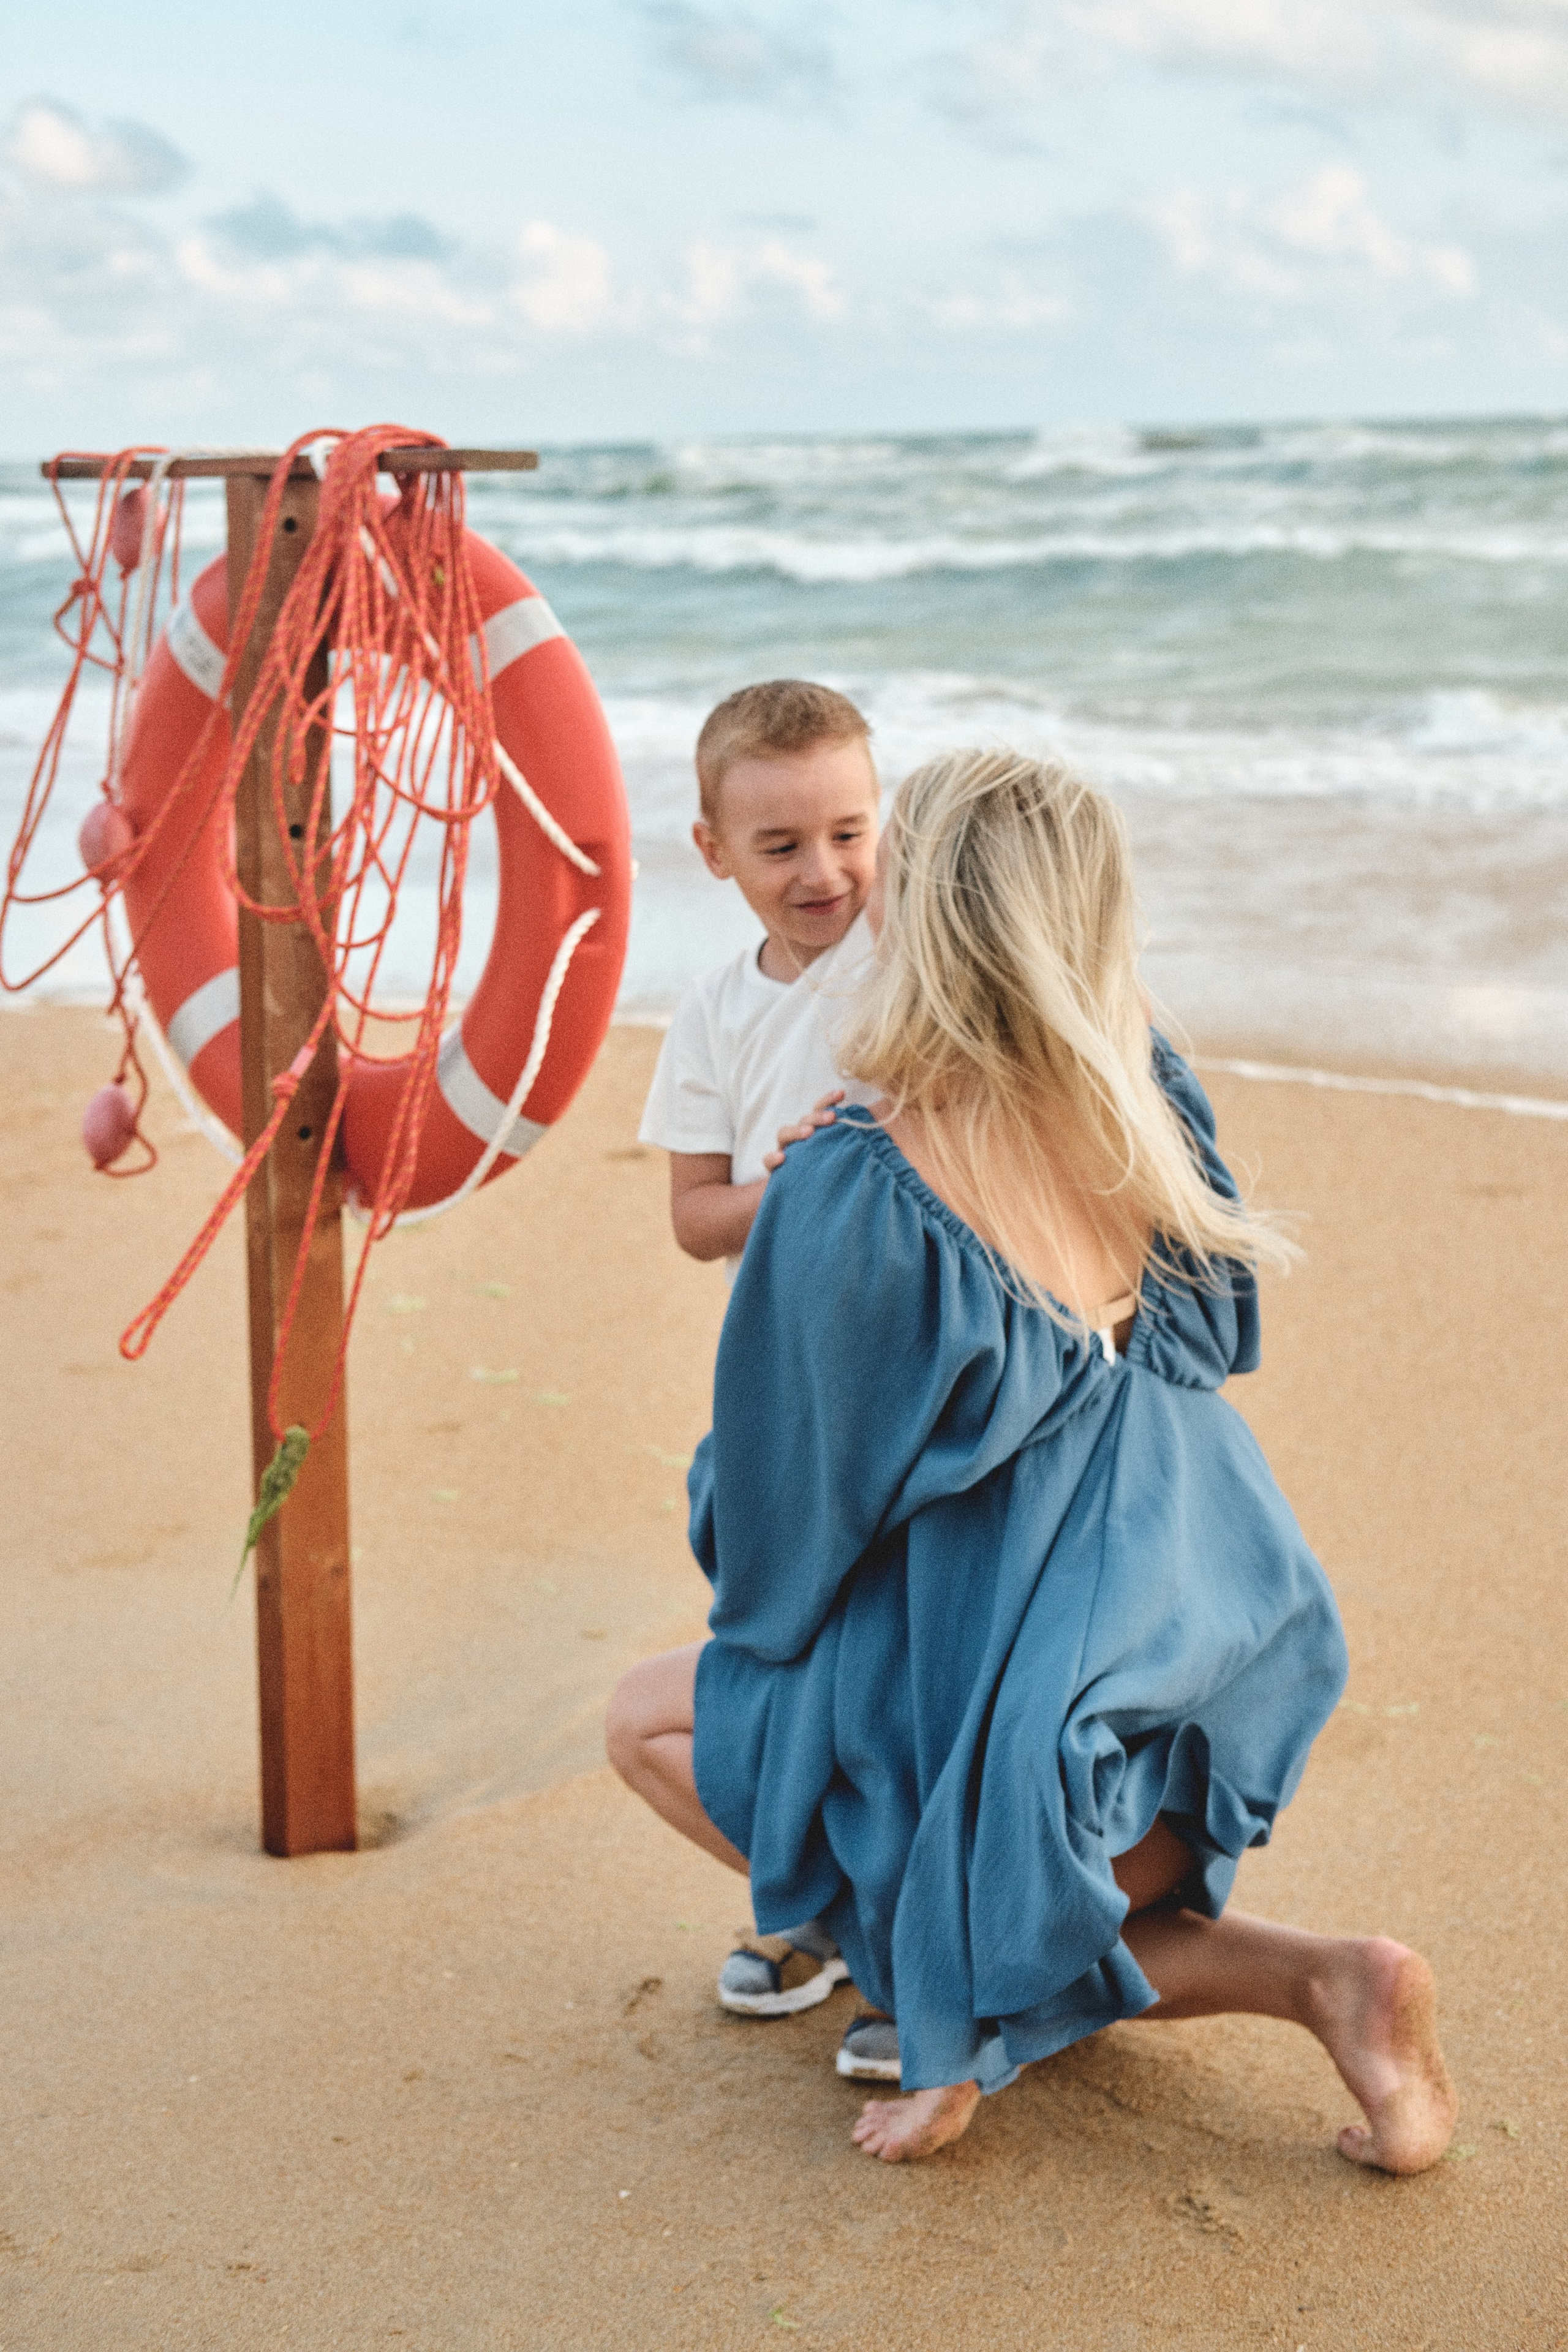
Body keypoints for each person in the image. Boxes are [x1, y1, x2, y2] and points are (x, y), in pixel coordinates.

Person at [608, 748, 1457, 2170]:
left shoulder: (856, 1184)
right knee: (1047, 1887)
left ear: (915, 915)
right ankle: (1322, 1978)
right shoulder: (1144, 1094)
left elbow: (778, 1524)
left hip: (1023, 1714)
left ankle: (936, 1998)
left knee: (650, 1720)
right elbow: (1208, 1342)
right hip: (1202, 1656)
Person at [636, 677, 881, 2024]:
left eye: (849, 832)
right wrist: (790, 1186)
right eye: (779, 845)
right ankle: (805, 1906)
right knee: (775, 1642)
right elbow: (691, 1218)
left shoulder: (914, 963)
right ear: (713, 851)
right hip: (778, 1399)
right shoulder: (712, 1014)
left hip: (917, 1399)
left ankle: (914, 1927)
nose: (823, 871)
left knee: (893, 1668)